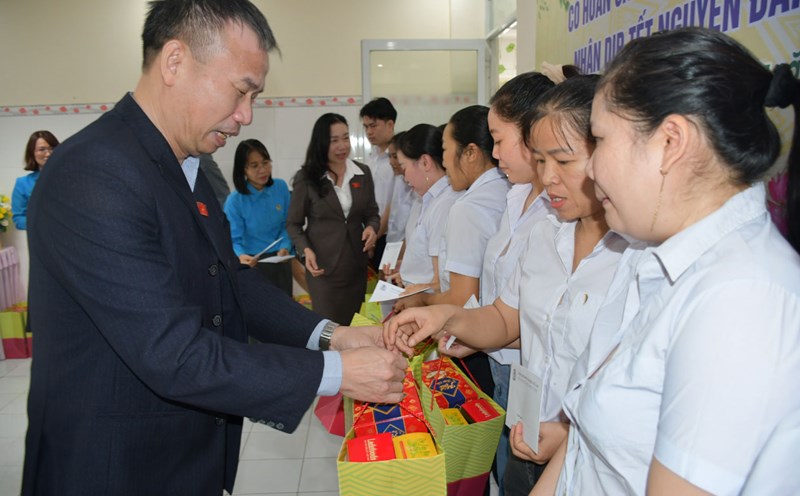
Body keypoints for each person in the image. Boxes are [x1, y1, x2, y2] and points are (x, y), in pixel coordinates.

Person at [22, 2, 406, 495]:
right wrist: (335, 373)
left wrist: (332, 336)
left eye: (255, 96)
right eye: (241, 90)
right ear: (175, 62)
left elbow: (230, 281)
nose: (246, 116)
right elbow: (172, 353)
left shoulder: (187, 168)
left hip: (185, 458)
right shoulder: (94, 174)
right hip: (115, 466)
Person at [531, 28, 800, 496]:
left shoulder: (740, 298)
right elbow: (585, 444)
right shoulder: (647, 253)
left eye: (600, 140)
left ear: (671, 142)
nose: (591, 170)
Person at [384, 76, 628, 496]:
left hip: (598, 459)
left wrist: (570, 434)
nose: (547, 176)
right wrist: (443, 314)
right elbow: (504, 317)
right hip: (526, 426)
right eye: (541, 158)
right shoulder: (547, 234)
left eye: (562, 161)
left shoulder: (637, 257)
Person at [395, 105, 511, 398]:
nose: (444, 161)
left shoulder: (468, 207)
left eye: (446, 149)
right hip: (500, 338)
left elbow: (462, 297)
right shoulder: (507, 191)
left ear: (470, 153)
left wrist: (421, 300)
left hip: (479, 340)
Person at [483, 71, 555, 493]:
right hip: (502, 363)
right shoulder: (514, 197)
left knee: (520, 475)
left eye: (499, 138)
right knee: (507, 472)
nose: (495, 154)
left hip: (529, 372)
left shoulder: (556, 213)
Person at [287, 113, 380, 325]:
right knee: (328, 332)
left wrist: (372, 228)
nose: (342, 146)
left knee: (351, 328)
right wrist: (306, 250)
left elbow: (372, 213)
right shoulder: (307, 178)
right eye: (334, 140)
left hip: (356, 268)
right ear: (321, 143)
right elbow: (293, 224)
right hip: (323, 271)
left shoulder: (362, 173)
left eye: (346, 138)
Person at [392, 124, 462, 289]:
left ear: (425, 162)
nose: (404, 176)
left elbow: (441, 282)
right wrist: (406, 272)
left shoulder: (446, 204)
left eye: (404, 167)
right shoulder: (422, 200)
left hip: (428, 304)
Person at [224, 138, 293, 296]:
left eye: (266, 162)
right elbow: (233, 239)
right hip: (252, 263)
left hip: (280, 259)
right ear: (243, 169)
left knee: (285, 312)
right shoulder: (235, 201)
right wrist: (242, 256)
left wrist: (285, 246)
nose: (263, 170)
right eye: (254, 166)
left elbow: (288, 224)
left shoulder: (280, 187)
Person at [360, 97, 398, 269]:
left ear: (390, 125)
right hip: (371, 234)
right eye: (366, 127)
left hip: (391, 237)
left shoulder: (398, 160)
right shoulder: (370, 160)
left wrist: (376, 235)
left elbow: (394, 204)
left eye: (373, 126)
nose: (369, 132)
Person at [12, 130, 59, 230]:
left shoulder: (70, 180)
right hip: (40, 238)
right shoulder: (23, 183)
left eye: (52, 148)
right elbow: (18, 219)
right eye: (42, 149)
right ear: (32, 153)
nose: (48, 154)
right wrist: (43, 223)